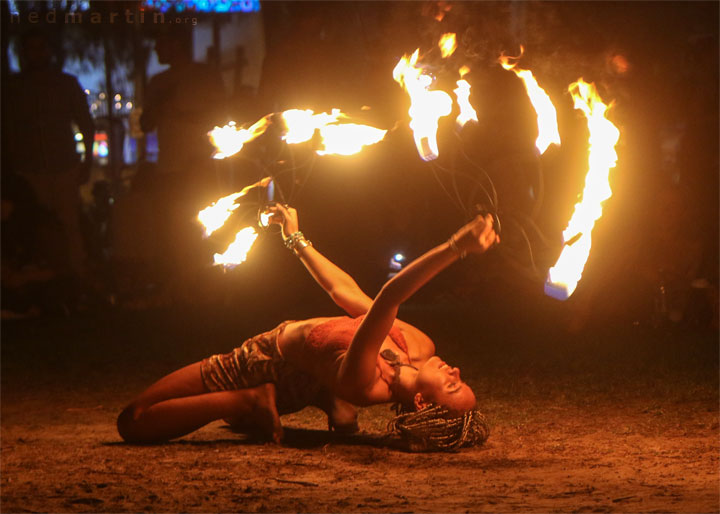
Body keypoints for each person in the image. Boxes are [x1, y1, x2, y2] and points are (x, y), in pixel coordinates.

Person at [117, 205, 499, 451]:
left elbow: (388, 298)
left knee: (134, 421)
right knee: (240, 427)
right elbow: (345, 291)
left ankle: (249, 399)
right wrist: (295, 239)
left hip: (262, 359)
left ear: (420, 402)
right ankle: (329, 403)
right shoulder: (417, 345)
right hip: (308, 373)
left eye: (452, 384)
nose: (456, 371)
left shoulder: (366, 384)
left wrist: (455, 247)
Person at [2, 29, 94, 281]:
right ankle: (41, 274)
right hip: (29, 168)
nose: (37, 54)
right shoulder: (15, 87)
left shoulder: (66, 84)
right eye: (31, 49)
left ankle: (77, 274)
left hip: (62, 164)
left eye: (41, 48)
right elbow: (8, 128)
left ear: (49, 51)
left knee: (69, 223)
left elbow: (86, 123)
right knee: (33, 224)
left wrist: (87, 160)